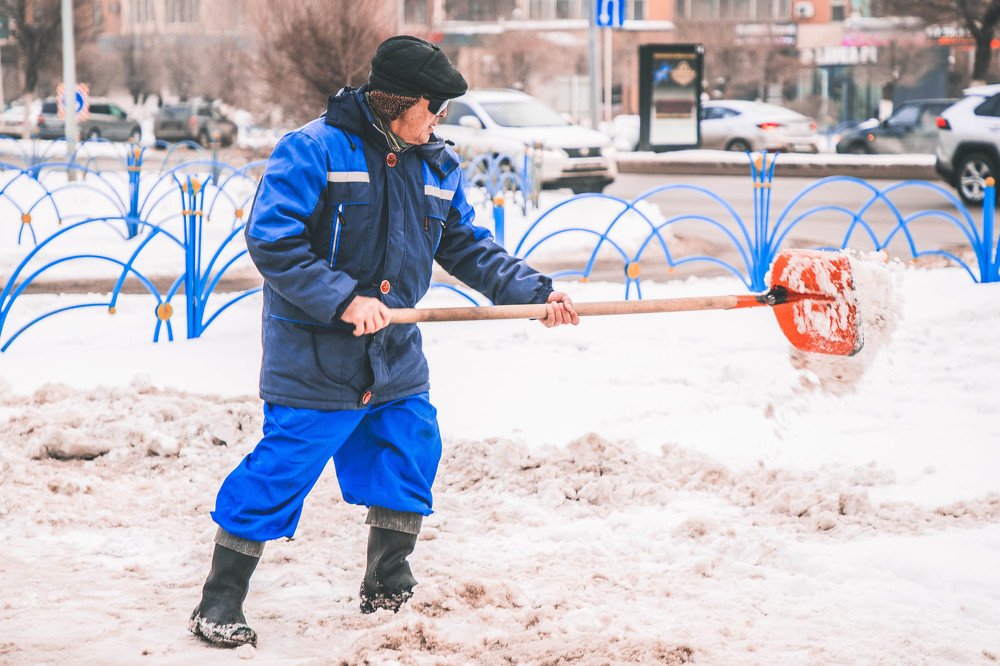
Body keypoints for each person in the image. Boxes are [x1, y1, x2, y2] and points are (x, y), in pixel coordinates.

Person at [189, 35, 579, 648]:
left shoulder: (436, 165)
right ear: (402, 101)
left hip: (393, 357)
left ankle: (387, 584)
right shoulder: (312, 150)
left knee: (410, 452)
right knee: (280, 471)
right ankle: (220, 599)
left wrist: (535, 293)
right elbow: (273, 242)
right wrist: (343, 298)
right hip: (317, 357)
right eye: (436, 107)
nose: (442, 120)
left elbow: (466, 245)